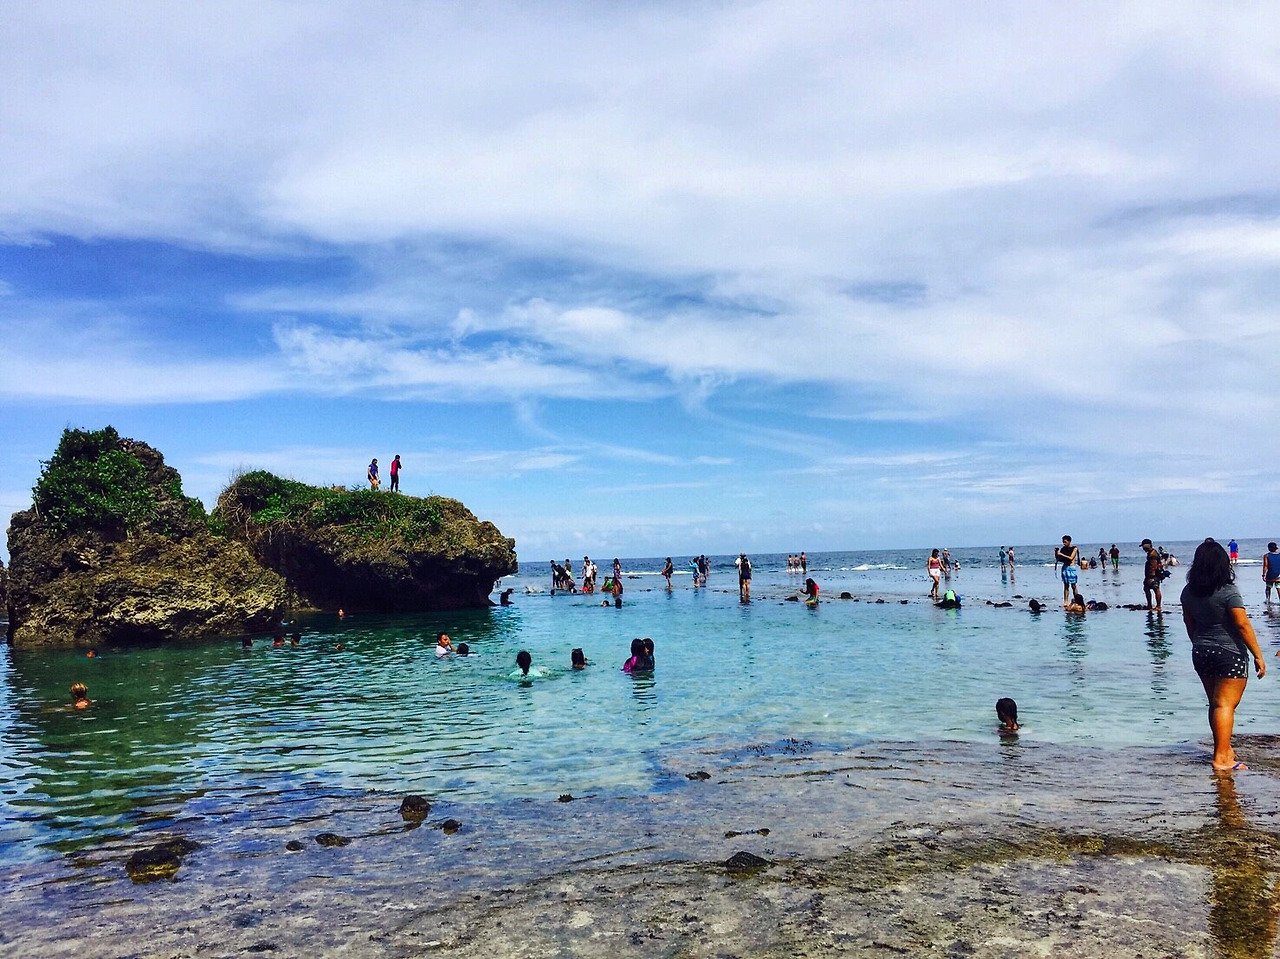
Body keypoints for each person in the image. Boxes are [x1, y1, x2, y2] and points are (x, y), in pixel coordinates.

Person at [1181, 538, 1266, 771]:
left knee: (1215, 704)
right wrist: (1258, 655)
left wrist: (1198, 644)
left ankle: (1225, 750)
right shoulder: (1228, 591)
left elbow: (1189, 622)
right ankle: (1221, 759)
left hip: (1201, 651)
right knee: (1225, 705)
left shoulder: (1188, 592)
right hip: (1229, 653)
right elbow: (1242, 625)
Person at [1055, 535, 1081, 607]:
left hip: (1071, 568)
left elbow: (1071, 558)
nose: (1064, 543)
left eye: (1065, 542)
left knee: (1073, 585)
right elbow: (1059, 559)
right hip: (1065, 568)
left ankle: (1077, 600)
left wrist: (1061, 554)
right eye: (1063, 542)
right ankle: (1066, 601)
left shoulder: (1074, 548)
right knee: (1066, 585)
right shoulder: (1063, 549)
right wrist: (1056, 553)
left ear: (1069, 541)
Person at [1141, 538, 1164, 612]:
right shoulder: (1151, 553)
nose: (1143, 548)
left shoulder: (1152, 554)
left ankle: (1158, 606)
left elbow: (1153, 566)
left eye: (1143, 546)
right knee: (1146, 588)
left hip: (1153, 576)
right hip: (1150, 575)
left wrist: (1151, 577)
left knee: (1156, 589)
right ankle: (1150, 605)